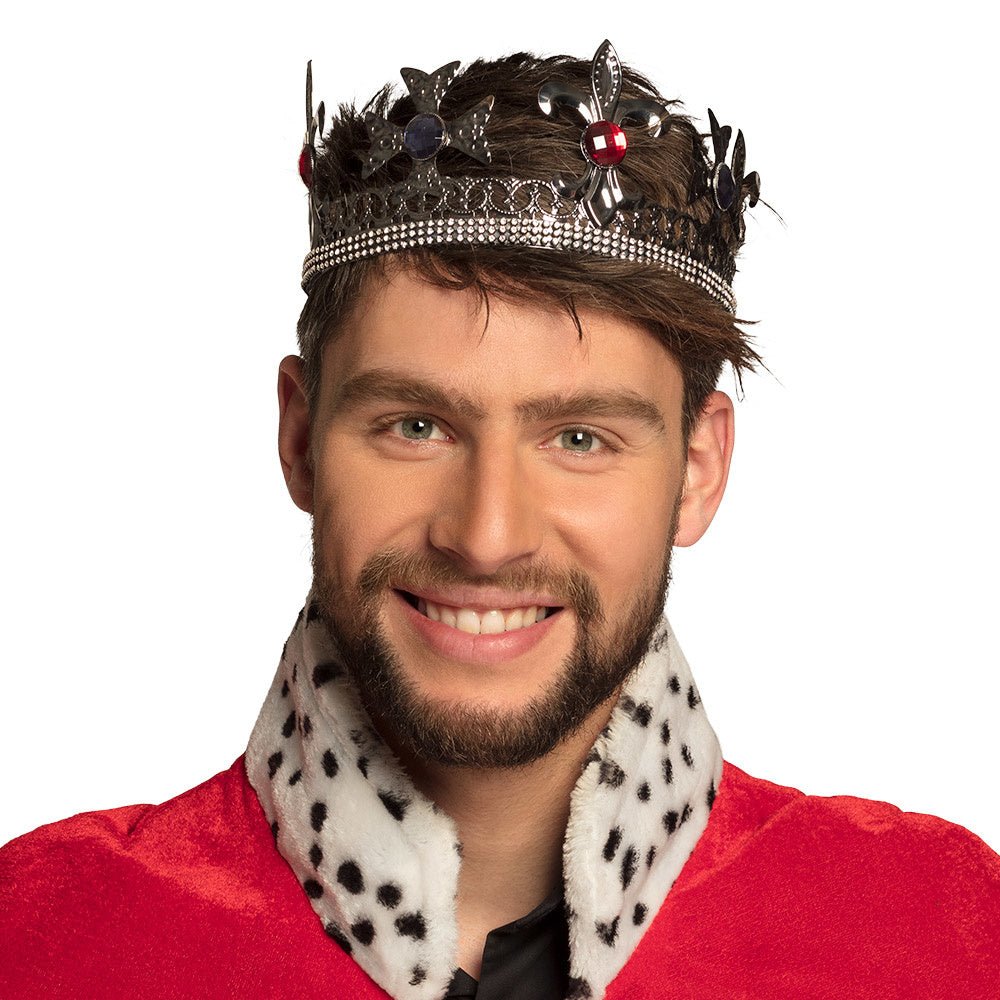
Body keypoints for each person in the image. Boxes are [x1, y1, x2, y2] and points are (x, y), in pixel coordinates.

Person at [2, 41, 997, 1000]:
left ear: (698, 470)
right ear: (300, 440)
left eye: (579, 438)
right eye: (417, 426)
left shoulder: (939, 935)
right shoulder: (41, 937)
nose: (485, 536)